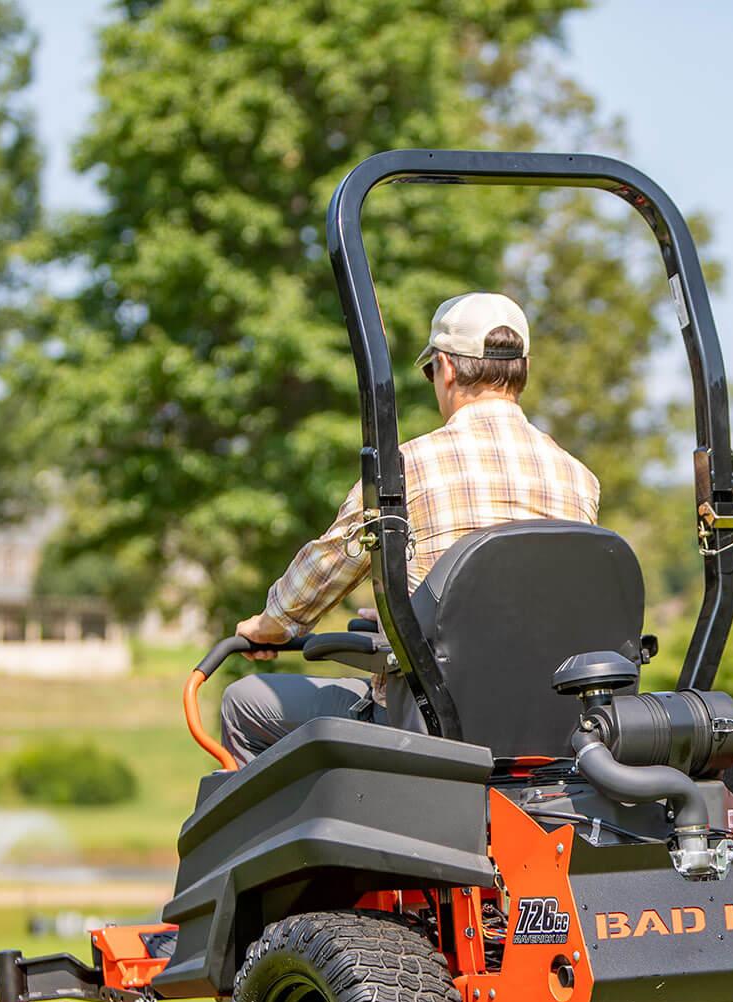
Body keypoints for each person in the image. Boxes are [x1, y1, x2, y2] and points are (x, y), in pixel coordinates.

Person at [222, 292, 601, 763]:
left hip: (432, 725)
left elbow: (325, 571)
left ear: (444, 369)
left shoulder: (406, 469)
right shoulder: (578, 479)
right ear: (521, 370)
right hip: (549, 728)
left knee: (244, 704)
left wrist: (270, 625)